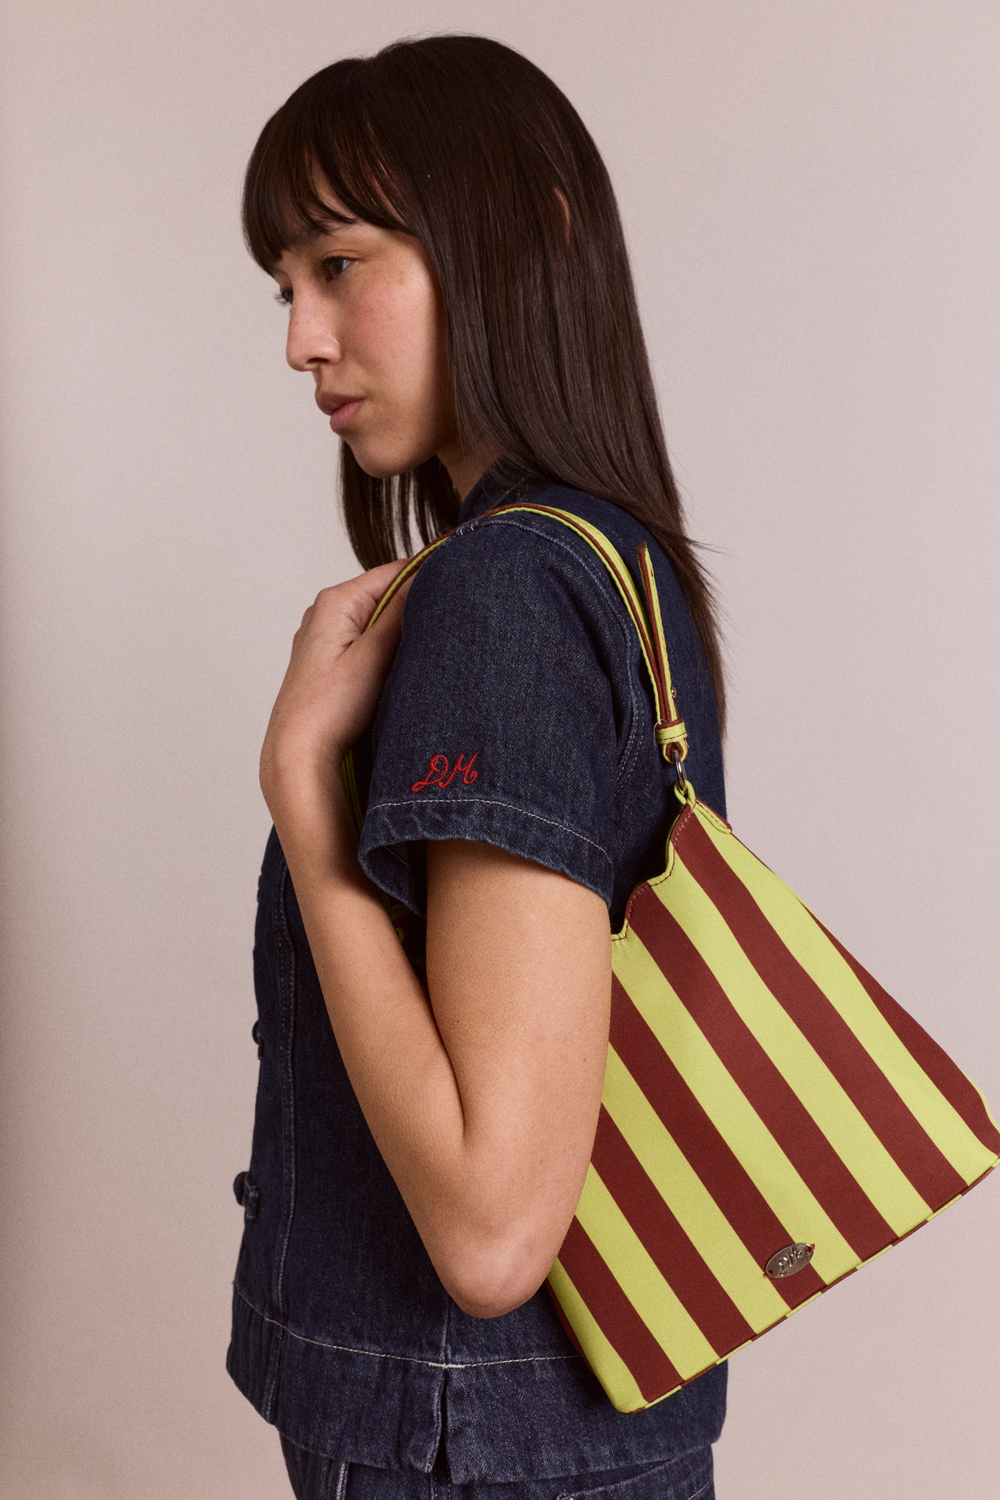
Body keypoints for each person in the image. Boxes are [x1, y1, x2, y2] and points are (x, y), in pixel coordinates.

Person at [228, 35, 729, 1500]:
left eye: (339, 264)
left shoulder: (505, 588)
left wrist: (303, 790)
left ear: (526, 232)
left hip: (466, 1445)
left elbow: (494, 1231)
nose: (300, 339)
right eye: (284, 285)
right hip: (575, 1423)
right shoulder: (616, 560)